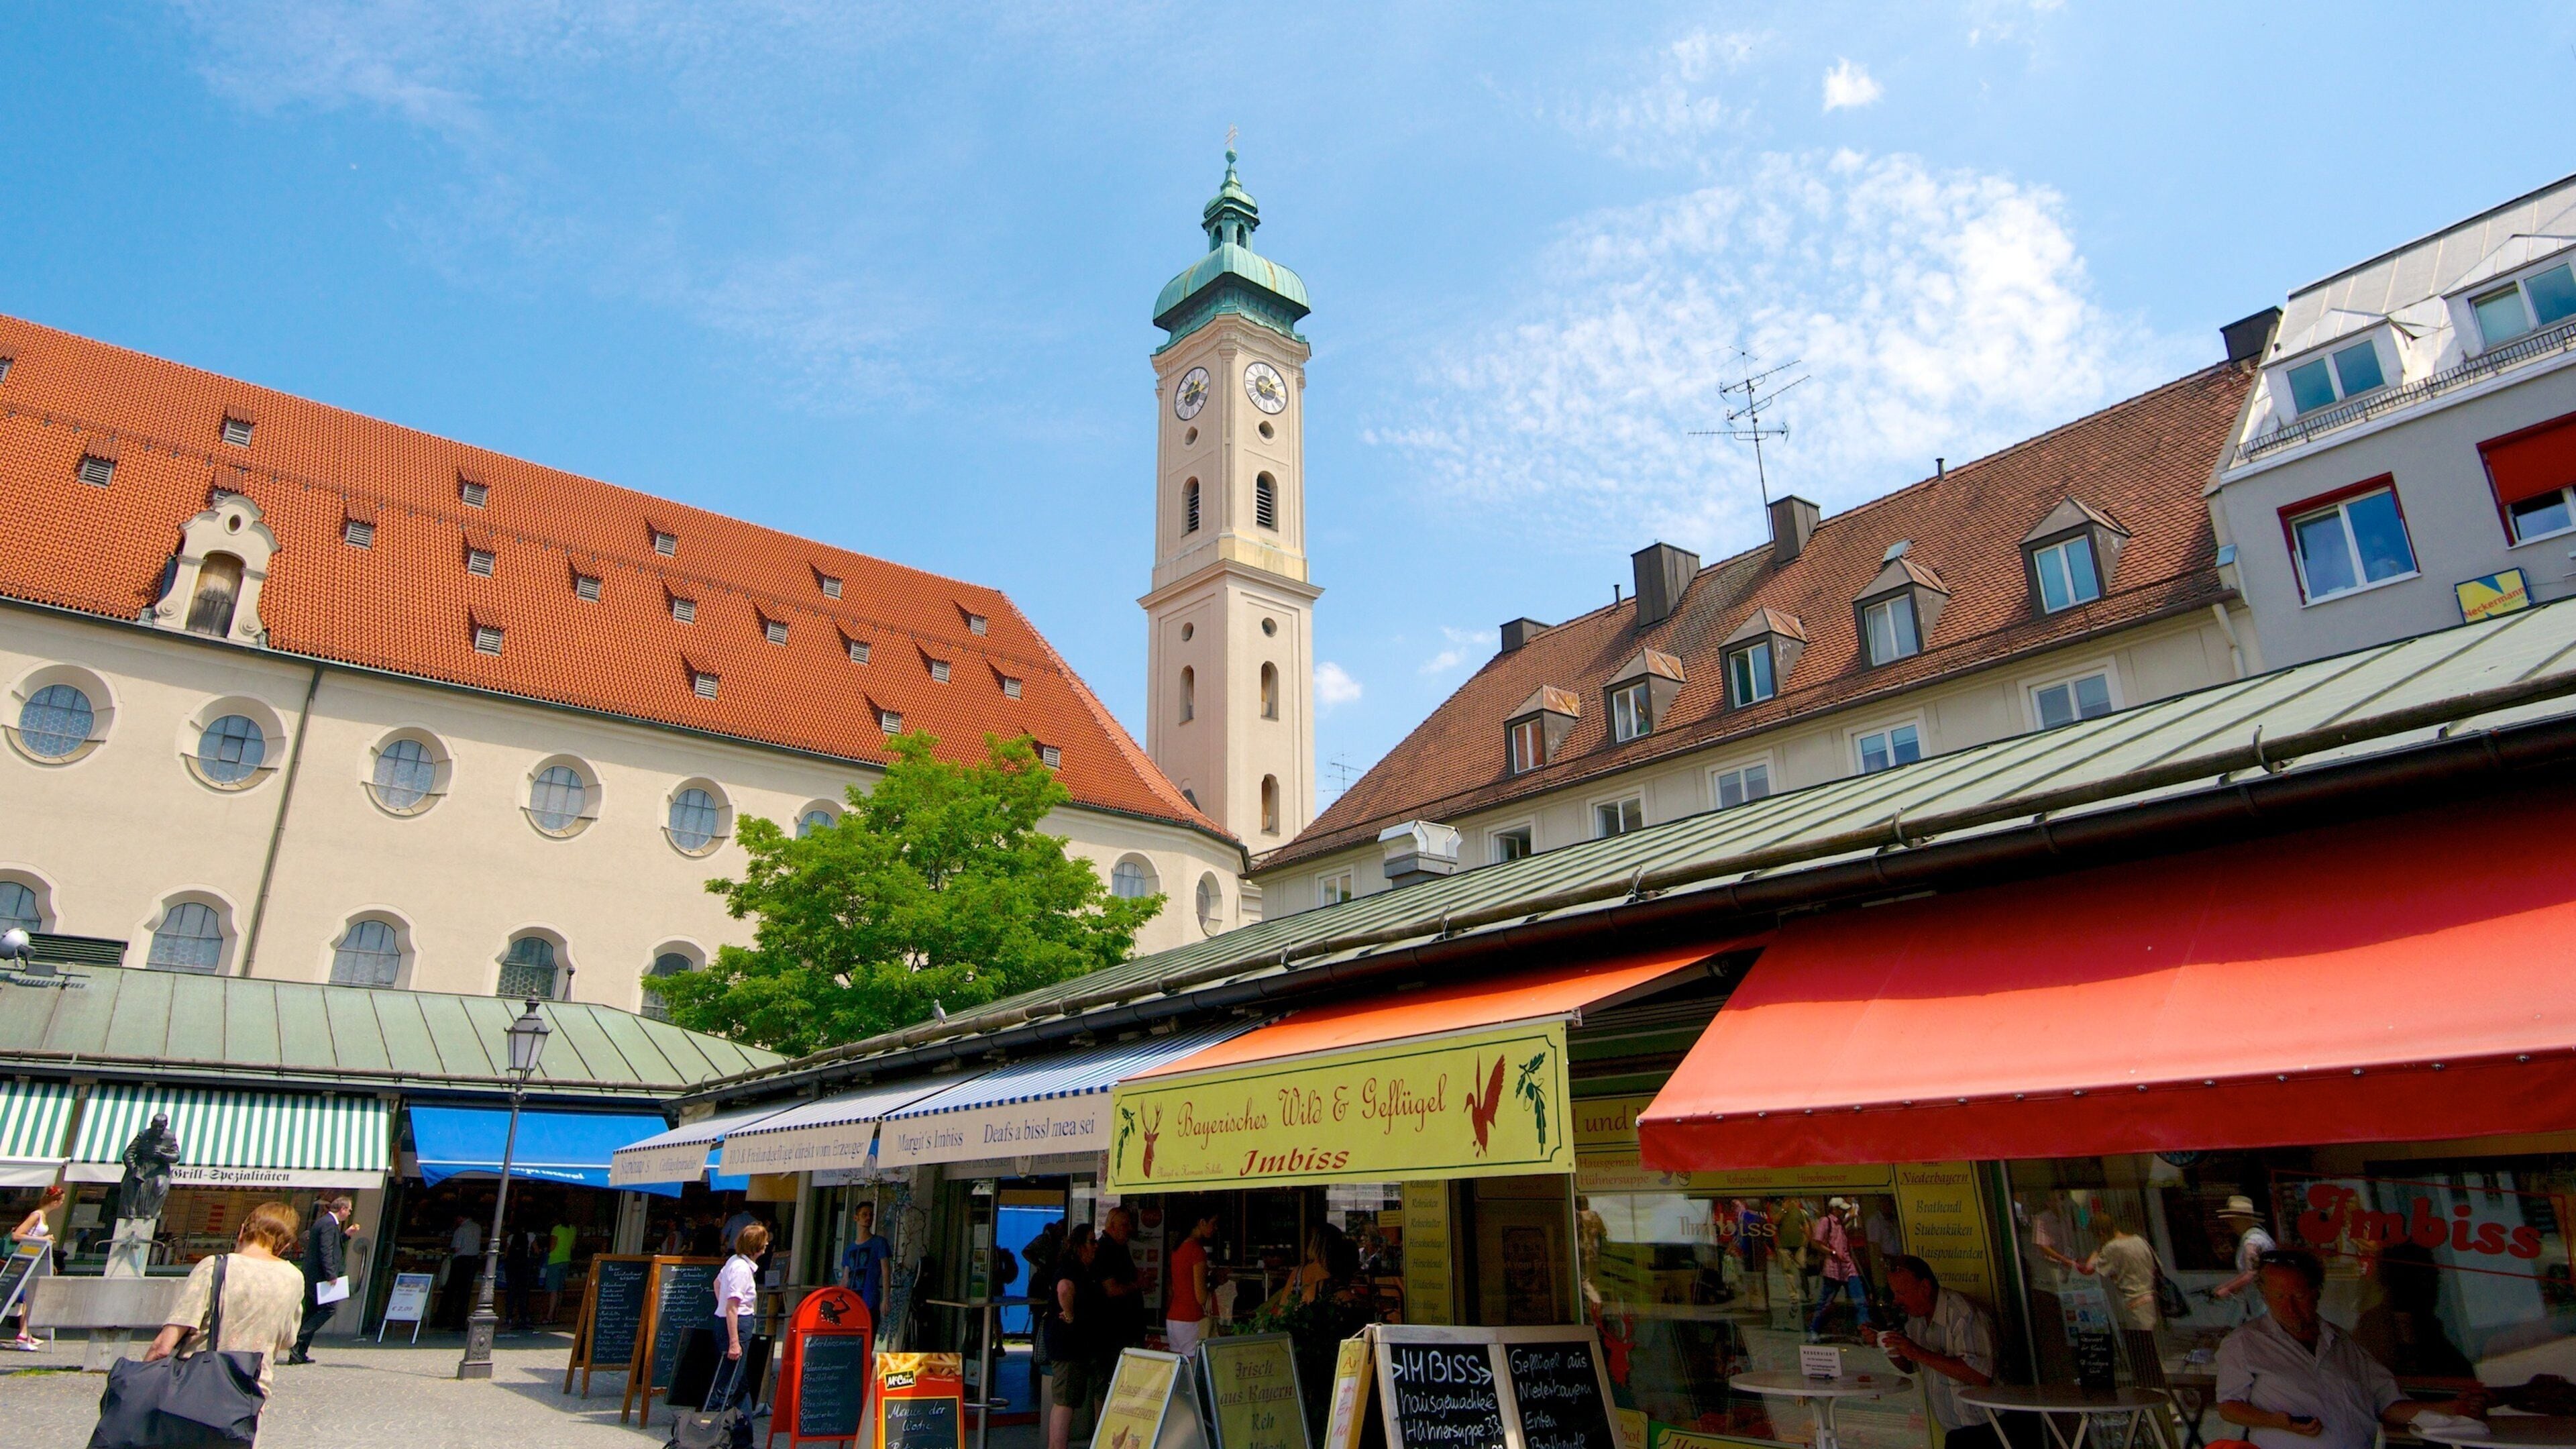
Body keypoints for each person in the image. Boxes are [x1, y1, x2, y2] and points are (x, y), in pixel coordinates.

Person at [2217, 1249, 2484, 1449]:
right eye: (2278, 1297)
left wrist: (2450, 1408)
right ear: (2265, 1296)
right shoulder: (2244, 1343)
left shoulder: (2341, 1341)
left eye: (2298, 1296)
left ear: (2316, 1292)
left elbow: (2387, 1403)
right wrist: (2275, 1421)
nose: (2289, 1308)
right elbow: (2229, 1407)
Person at [144, 1201, 305, 1395]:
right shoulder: (294, 1278)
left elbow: (163, 1345)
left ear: (242, 1231)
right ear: (285, 1246)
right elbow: (288, 1339)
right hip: (249, 1394)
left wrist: (140, 1386)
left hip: (194, 1386)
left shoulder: (214, 1267)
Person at [1876, 1255, 2002, 1449]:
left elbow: (1980, 1375)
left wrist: (1917, 1352)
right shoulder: (1917, 1318)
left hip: (1987, 1428)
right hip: (1955, 1431)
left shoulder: (1963, 1314)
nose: (1896, 1301)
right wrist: (1892, 1348)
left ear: (1925, 1288)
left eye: (1902, 1293)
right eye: (1895, 1294)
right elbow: (1910, 1366)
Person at [2079, 1203, 2161, 1381]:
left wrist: (2097, 1248)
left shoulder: (2113, 1247)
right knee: (2150, 1350)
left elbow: (2088, 1268)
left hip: (2133, 1302)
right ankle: (2156, 1393)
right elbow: (2155, 1267)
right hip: (2150, 1297)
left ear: (2101, 1234)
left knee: (2142, 1355)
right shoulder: (2139, 1240)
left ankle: (2151, 1392)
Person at [711, 1221, 768, 1449]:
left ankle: (743, 1441)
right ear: (755, 1248)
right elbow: (733, 1306)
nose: (765, 1248)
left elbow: (716, 1283)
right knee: (728, 1385)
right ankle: (711, 1436)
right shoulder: (742, 1269)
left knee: (741, 1384)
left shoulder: (733, 1261)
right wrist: (735, 1341)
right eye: (763, 1245)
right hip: (736, 1325)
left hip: (726, 1321)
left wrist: (721, 1305)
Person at [1046, 1224, 1104, 1449]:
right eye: (1091, 1241)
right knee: (1065, 1401)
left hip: (1077, 1344)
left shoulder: (1083, 1269)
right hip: (1067, 1344)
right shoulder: (1071, 1269)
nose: (1095, 1246)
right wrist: (1069, 1316)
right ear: (1079, 1246)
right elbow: (1064, 1289)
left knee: (1068, 1399)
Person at [288, 1194, 358, 1364]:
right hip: (320, 1277)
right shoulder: (328, 1224)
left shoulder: (326, 1223)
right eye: (349, 1210)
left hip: (315, 1276)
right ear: (342, 1209)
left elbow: (330, 1246)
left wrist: (346, 1235)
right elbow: (325, 1250)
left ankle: (298, 1353)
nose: (349, 1213)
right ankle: (298, 1338)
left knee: (312, 1311)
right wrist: (331, 1275)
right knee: (328, 1309)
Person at [7, 1184, 63, 1350]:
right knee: (29, 1296)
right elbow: (17, 1235)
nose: (61, 1204)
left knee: (31, 1296)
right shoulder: (37, 1215)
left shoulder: (43, 1215)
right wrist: (44, 1239)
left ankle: (26, 1333)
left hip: (35, 1258)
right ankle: (24, 1334)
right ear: (55, 1201)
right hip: (26, 1257)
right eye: (61, 1201)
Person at [1807, 1197, 1871, 1338]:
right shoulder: (1826, 1222)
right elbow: (1816, 1243)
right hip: (1834, 1268)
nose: (1842, 1212)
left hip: (1848, 1267)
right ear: (1834, 1209)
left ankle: (1866, 1331)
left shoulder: (1841, 1223)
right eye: (1841, 1209)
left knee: (1860, 1300)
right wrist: (1832, 1252)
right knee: (1825, 1302)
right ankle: (1814, 1329)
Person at [1167, 1207, 1221, 1357]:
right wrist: (1214, 1283)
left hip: (1173, 1319)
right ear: (1202, 1222)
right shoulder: (1197, 1251)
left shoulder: (1177, 1248)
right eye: (1214, 1223)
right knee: (1194, 1370)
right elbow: (1201, 1297)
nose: (1215, 1228)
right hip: (1191, 1319)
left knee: (1180, 1371)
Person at [2210, 1196, 2277, 1316]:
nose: (2230, 1224)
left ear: (2243, 1220)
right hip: (2263, 1296)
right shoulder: (2258, 1235)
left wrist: (2228, 1289)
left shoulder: (2252, 1241)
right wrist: (2227, 1285)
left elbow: (2251, 1272)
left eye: (2233, 1220)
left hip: (2263, 1299)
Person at [1094, 1206, 1144, 1357]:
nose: (1129, 1229)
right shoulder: (1105, 1249)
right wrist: (1137, 1285)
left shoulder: (1120, 1247)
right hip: (1114, 1329)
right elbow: (1112, 1289)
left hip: (1127, 1327)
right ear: (1112, 1226)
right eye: (1125, 1225)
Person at [841, 1201, 894, 1324]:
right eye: (864, 1215)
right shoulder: (850, 1249)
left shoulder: (879, 1243)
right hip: (852, 1302)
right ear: (856, 1218)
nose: (868, 1218)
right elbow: (845, 1278)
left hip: (870, 1301)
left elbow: (886, 1272)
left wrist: (886, 1299)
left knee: (867, 1338)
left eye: (871, 1215)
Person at [443, 1211, 484, 1328]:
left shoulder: (461, 1230)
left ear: (460, 1217)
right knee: (465, 1293)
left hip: (460, 1260)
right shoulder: (478, 1228)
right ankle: (460, 1320)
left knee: (451, 1291)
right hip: (473, 1260)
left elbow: (456, 1248)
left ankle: (447, 1318)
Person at [541, 1216, 578, 1325]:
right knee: (560, 1289)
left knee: (553, 1289)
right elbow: (573, 1247)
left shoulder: (557, 1229)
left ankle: (549, 1316)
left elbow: (552, 1246)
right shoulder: (573, 1229)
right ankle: (556, 1315)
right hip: (566, 1259)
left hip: (555, 1260)